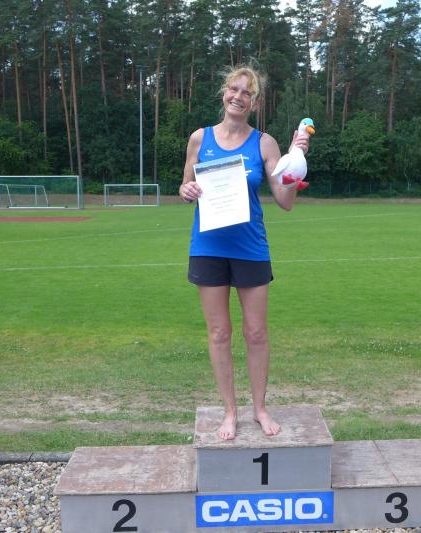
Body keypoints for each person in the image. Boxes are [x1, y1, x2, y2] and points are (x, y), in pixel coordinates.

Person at [178, 66, 309, 441]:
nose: (238, 96)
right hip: (209, 248)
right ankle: (229, 412)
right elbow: (186, 186)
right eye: (233, 89)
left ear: (255, 102)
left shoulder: (265, 143)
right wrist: (186, 191)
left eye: (247, 92)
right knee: (219, 333)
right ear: (224, 93)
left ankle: (260, 409)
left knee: (256, 332)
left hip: (250, 249)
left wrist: (295, 165)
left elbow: (285, 200)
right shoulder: (200, 138)